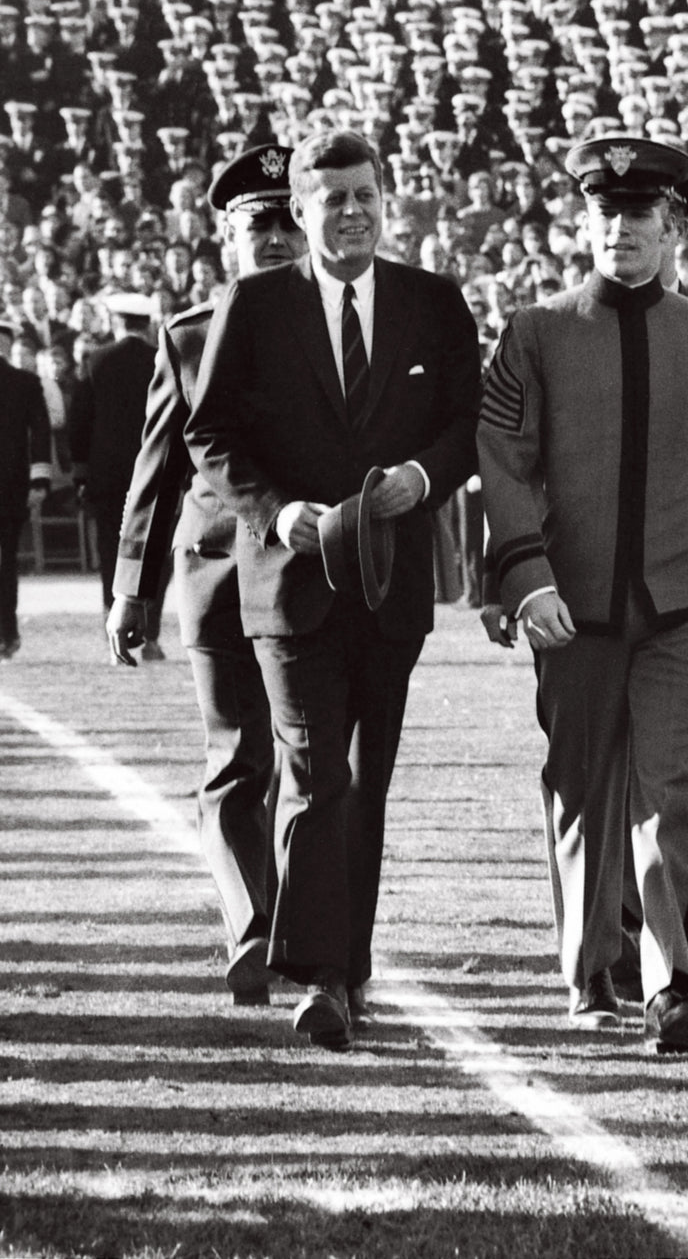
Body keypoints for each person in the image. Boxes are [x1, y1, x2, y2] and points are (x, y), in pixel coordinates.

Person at [185, 129, 481, 1049]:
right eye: (332, 199)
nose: (351, 212)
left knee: (367, 784)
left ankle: (348, 967)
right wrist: (279, 516)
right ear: (303, 210)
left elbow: (468, 427)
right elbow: (213, 437)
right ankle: (318, 978)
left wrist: (420, 483)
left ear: (384, 199)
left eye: (365, 195)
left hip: (391, 590)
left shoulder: (434, 304)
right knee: (316, 772)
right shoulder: (256, 303)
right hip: (288, 588)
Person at [478, 135, 688, 1051]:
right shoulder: (534, 330)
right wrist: (523, 579)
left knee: (670, 791)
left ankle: (670, 982)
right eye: (605, 214)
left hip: (686, 603)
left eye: (639, 215)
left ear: (673, 226)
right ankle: (589, 969)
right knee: (580, 788)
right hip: (572, 611)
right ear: (584, 223)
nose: (621, 230)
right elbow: (504, 465)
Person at [105, 144, 305, 1005]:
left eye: (287, 223)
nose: (275, 239)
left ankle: (302, 931)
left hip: (306, 568)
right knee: (235, 758)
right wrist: (130, 589)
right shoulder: (188, 334)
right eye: (258, 224)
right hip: (217, 566)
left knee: (309, 759)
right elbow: (155, 475)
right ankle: (252, 929)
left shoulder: (334, 329)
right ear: (225, 233)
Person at [68, 292, 163, 652]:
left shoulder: (96, 360)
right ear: (146, 323)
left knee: (112, 550)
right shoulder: (161, 358)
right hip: (156, 472)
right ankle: (151, 636)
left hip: (107, 475)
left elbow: (80, 422)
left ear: (116, 322)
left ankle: (116, 631)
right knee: (155, 551)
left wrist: (81, 474)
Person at [0, 317, 51, 658]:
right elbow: (41, 435)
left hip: (11, 484)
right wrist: (39, 480)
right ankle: (7, 633)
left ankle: (7, 632)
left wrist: (39, 478)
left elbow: (40, 433)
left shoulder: (25, 382)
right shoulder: (25, 382)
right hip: (12, 483)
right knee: (7, 560)